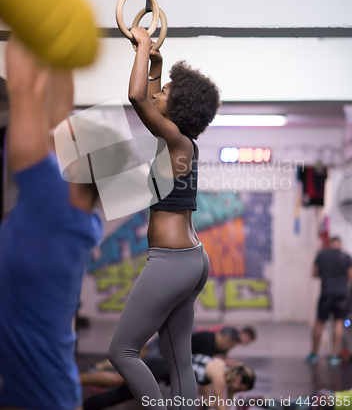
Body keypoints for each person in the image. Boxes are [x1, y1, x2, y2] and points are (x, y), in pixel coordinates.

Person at [107, 27, 221, 410]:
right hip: (192, 259)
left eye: (167, 91)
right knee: (178, 361)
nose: (159, 93)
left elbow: (138, 97)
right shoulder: (181, 143)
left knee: (121, 351)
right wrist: (154, 62)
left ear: (180, 107)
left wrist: (141, 46)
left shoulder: (175, 141)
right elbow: (151, 98)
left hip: (172, 262)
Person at [0, 39, 103, 410]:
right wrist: (61, 41)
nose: (60, 135)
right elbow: (60, 111)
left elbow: (24, 89)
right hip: (47, 393)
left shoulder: (51, 203)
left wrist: (29, 15)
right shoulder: (80, 216)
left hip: (42, 398)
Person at [81, 355, 255, 410]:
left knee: (120, 389)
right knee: (120, 392)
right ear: (238, 378)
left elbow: (206, 394)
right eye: (241, 386)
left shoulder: (219, 367)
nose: (238, 389)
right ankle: (81, 405)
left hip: (159, 365)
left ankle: (80, 399)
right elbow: (220, 406)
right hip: (158, 367)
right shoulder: (219, 376)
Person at [91, 325, 257, 373]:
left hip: (167, 349)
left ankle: (104, 369)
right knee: (130, 359)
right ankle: (99, 367)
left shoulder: (225, 342)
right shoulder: (214, 337)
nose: (241, 343)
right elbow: (207, 360)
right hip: (163, 346)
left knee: (133, 362)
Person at [307, 236, 352, 366]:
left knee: (320, 322)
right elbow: (350, 277)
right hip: (342, 294)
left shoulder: (322, 255)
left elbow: (314, 274)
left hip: (326, 292)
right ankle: (333, 355)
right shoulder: (346, 257)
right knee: (338, 322)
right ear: (340, 244)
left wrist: (327, 275)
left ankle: (314, 353)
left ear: (330, 243)